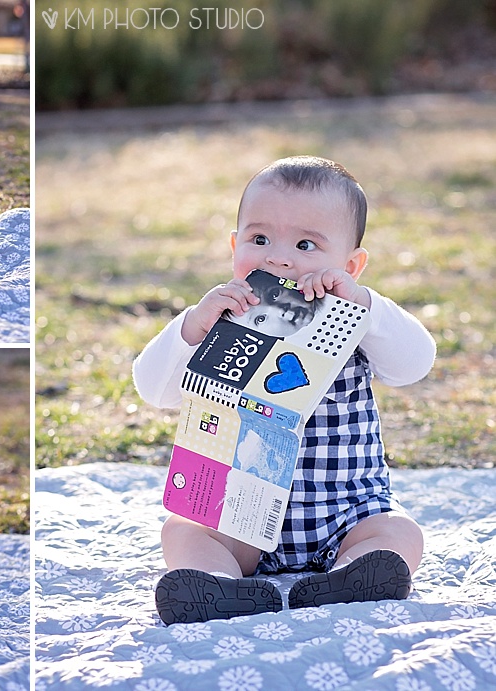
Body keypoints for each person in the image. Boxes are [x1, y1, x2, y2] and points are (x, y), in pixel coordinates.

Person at [133, 156, 435, 625]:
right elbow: (155, 390)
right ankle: (221, 586)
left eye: (306, 244)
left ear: (350, 264)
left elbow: (415, 364)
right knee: (183, 531)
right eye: (259, 239)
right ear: (235, 247)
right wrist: (191, 327)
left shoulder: (354, 322)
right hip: (240, 513)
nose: (279, 257)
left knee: (400, 532)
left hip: (347, 512)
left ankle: (352, 577)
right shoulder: (221, 323)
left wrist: (366, 306)